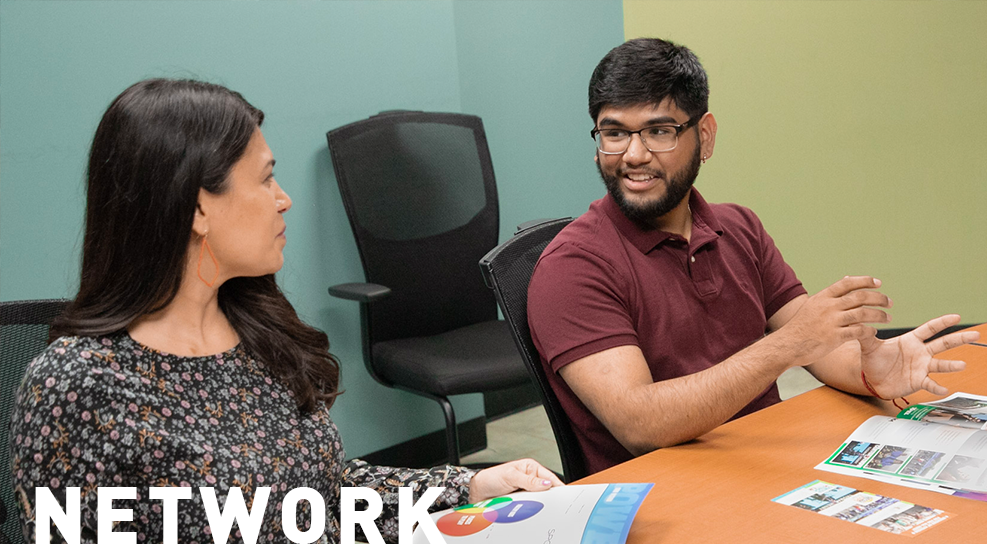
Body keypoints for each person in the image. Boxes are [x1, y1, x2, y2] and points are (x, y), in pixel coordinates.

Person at [8, 78, 562, 543]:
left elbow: (317, 496)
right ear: (198, 206)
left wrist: (462, 488)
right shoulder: (78, 386)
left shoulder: (258, 331)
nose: (283, 198)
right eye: (266, 176)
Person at [527, 38, 980, 475]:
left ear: (704, 135)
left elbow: (818, 347)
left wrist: (870, 370)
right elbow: (641, 425)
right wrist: (784, 347)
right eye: (614, 133)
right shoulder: (571, 268)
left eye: (659, 131)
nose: (634, 154)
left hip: (763, 465)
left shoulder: (739, 226)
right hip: (668, 498)